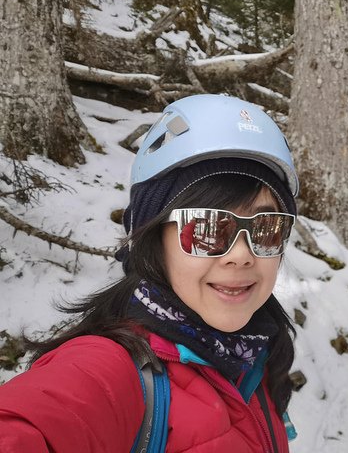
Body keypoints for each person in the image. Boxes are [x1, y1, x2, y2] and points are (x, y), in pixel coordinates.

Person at [0, 94, 298, 452]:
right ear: (154, 239)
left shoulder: (257, 354)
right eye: (205, 227)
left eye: (266, 227)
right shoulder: (109, 371)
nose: (241, 255)